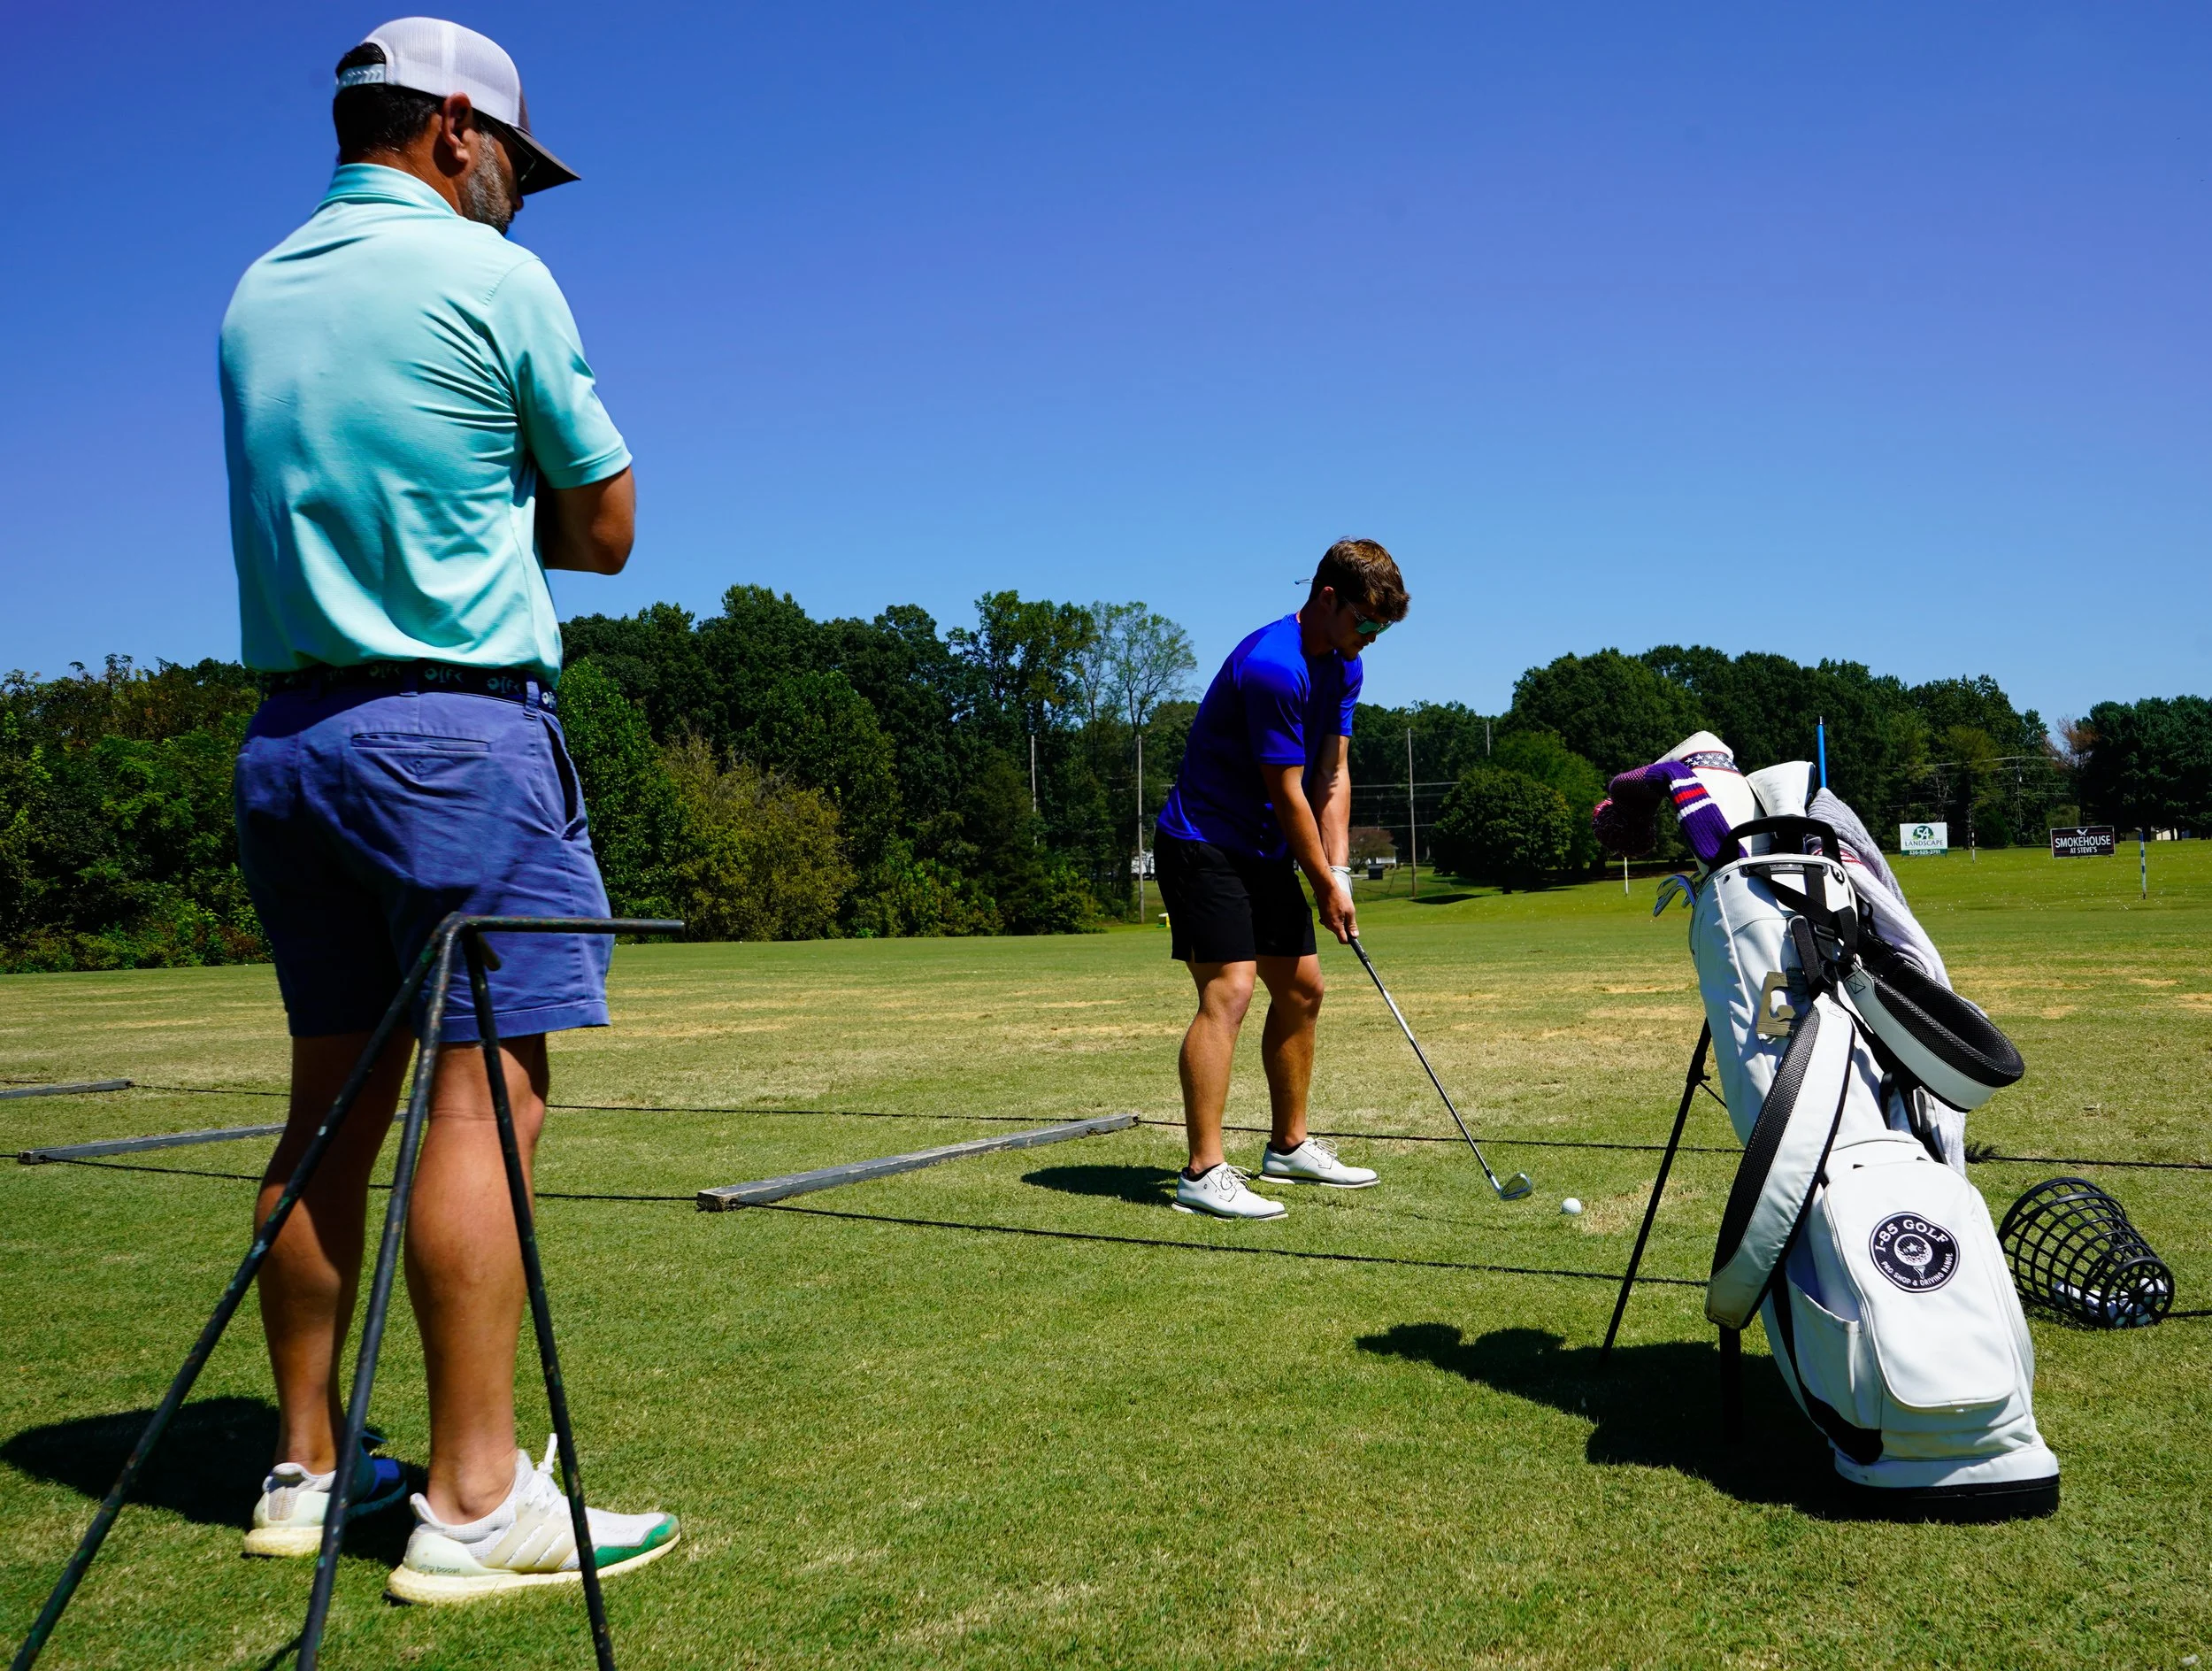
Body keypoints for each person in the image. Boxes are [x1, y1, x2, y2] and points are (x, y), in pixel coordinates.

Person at [220, 18, 677, 1604]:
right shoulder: (494, 284)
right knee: (486, 1106)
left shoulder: (257, 290)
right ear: (452, 131)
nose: (519, 203)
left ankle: (306, 1469)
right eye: (514, 171)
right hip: (456, 736)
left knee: (329, 1110)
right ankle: (479, 1500)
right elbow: (608, 525)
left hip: (288, 742)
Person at [1151, 540, 1409, 1219]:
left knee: (1301, 988)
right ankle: (1203, 1172)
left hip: (1263, 849)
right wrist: (1321, 882)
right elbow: (1289, 790)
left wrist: (1342, 873)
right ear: (1328, 598)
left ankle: (1288, 1146)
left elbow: (1332, 776)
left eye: (1383, 629)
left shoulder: (1344, 665)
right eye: (1366, 622)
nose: (1372, 639)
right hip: (1203, 842)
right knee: (1230, 988)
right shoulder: (1274, 667)